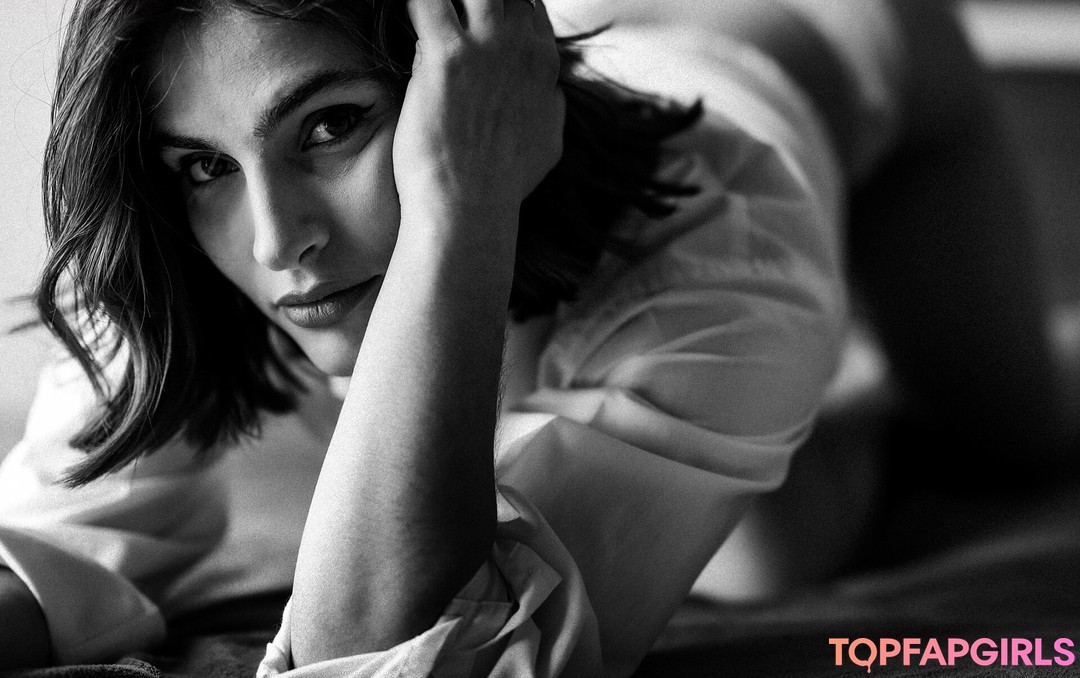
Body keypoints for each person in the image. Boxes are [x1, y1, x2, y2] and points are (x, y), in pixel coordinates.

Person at [0, 0, 1070, 675]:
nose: (279, 242)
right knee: (757, 549)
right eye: (204, 165)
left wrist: (460, 208)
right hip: (602, 66)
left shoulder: (721, 247)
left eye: (331, 125)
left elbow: (396, 657)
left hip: (855, 45)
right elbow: (35, 558)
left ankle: (843, 353)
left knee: (1008, 441)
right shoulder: (171, 260)